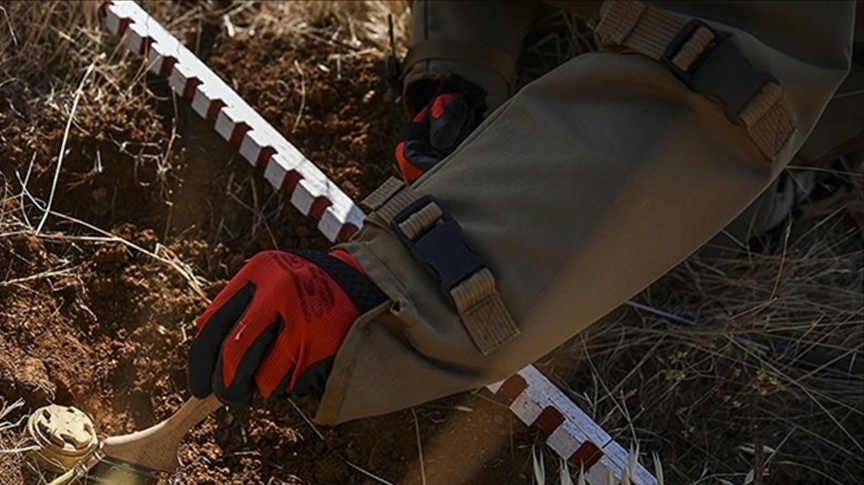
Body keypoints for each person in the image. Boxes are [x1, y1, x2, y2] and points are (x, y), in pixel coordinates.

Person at [188, 0, 861, 424]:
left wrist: (396, 281)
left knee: (715, 214)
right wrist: (461, 63)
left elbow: (740, 61)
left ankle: (796, 187)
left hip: (783, 38)